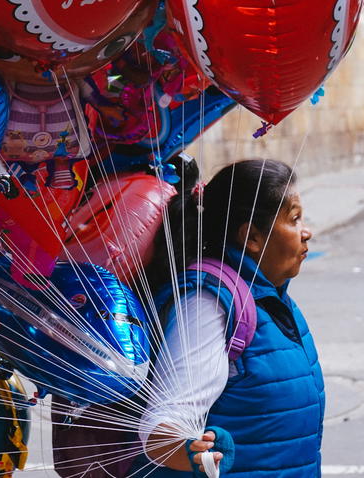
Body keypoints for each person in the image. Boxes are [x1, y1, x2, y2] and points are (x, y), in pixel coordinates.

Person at [132, 158, 323, 477]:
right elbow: (165, 420)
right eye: (294, 219)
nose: (307, 232)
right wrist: (193, 454)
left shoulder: (270, 297)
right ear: (252, 238)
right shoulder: (208, 302)